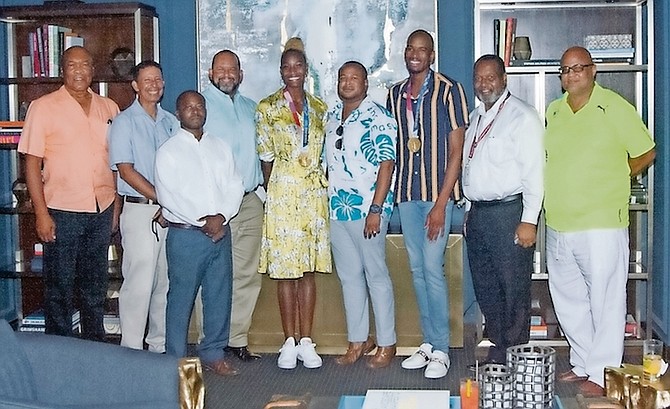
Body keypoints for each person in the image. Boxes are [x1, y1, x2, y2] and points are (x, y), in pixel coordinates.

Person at [545, 46, 655, 396]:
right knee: (568, 299)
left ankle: (604, 372)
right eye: (565, 70)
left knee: (606, 301)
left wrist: (616, 176)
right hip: (559, 222)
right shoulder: (555, 111)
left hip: (602, 222)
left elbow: (646, 151)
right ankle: (583, 363)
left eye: (578, 68)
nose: (571, 74)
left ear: (594, 71)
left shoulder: (616, 106)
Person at [19, 46, 119, 340]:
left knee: (94, 288)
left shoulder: (109, 107)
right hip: (62, 211)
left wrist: (116, 209)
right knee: (59, 289)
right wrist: (41, 214)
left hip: (101, 209)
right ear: (63, 70)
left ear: (93, 70)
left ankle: (93, 349)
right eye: (72, 65)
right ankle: (60, 355)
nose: (79, 71)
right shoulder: (43, 107)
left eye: (85, 65)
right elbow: (32, 162)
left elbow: (117, 162)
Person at [386, 29, 468, 379]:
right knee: (417, 271)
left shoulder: (450, 91)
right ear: (405, 54)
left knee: (433, 271)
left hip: (437, 195)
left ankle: (442, 348)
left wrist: (441, 202)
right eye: (410, 49)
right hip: (406, 193)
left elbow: (456, 150)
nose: (415, 54)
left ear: (432, 55)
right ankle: (428, 343)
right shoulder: (394, 94)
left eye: (423, 50)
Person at [155, 90, 244, 376]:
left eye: (199, 106)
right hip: (187, 236)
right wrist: (204, 221)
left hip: (221, 232)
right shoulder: (168, 151)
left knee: (219, 295)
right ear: (178, 113)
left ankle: (213, 352)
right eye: (188, 107)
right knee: (181, 299)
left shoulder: (220, 146)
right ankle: (177, 362)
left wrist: (222, 216)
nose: (195, 111)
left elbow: (235, 184)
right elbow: (169, 196)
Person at [462, 54, 544, 364]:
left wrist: (529, 220)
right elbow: (473, 167)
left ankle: (515, 355)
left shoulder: (522, 117)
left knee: (513, 289)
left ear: (504, 79)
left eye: (490, 77)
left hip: (510, 214)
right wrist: (471, 209)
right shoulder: (475, 118)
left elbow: (535, 172)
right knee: (486, 286)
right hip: (481, 215)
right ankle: (497, 350)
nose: (484, 84)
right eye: (479, 79)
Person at [255, 40, 331, 370]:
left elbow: (324, 155)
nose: (292, 72)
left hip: (312, 195)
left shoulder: (320, 108)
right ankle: (288, 341)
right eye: (286, 67)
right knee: (286, 272)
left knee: (308, 270)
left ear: (306, 69)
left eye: (298, 66)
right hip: (283, 193)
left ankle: (307, 341)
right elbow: (266, 158)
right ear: (280, 71)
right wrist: (278, 189)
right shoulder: (267, 108)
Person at [325, 61, 398, 368]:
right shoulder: (331, 117)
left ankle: (387, 343)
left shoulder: (379, 117)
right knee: (349, 277)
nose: (348, 82)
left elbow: (386, 164)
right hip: (338, 209)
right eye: (343, 78)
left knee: (376, 276)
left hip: (368, 209)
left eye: (355, 78)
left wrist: (376, 208)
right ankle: (358, 340)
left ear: (366, 84)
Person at [108, 60, 178, 353]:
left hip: (170, 213)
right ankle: (132, 349)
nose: (154, 85)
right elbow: (125, 170)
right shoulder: (123, 122)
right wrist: (163, 198)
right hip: (139, 211)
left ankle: (158, 346)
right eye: (147, 80)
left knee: (163, 281)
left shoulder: (171, 122)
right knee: (139, 282)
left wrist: (173, 203)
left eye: (158, 80)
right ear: (135, 85)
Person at [203, 50, 264, 362]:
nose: (226, 75)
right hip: (215, 204)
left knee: (247, 274)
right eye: (220, 69)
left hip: (250, 201)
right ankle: (209, 341)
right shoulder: (200, 108)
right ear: (211, 73)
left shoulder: (251, 108)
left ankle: (236, 339)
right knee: (215, 274)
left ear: (240, 74)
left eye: (232, 70)